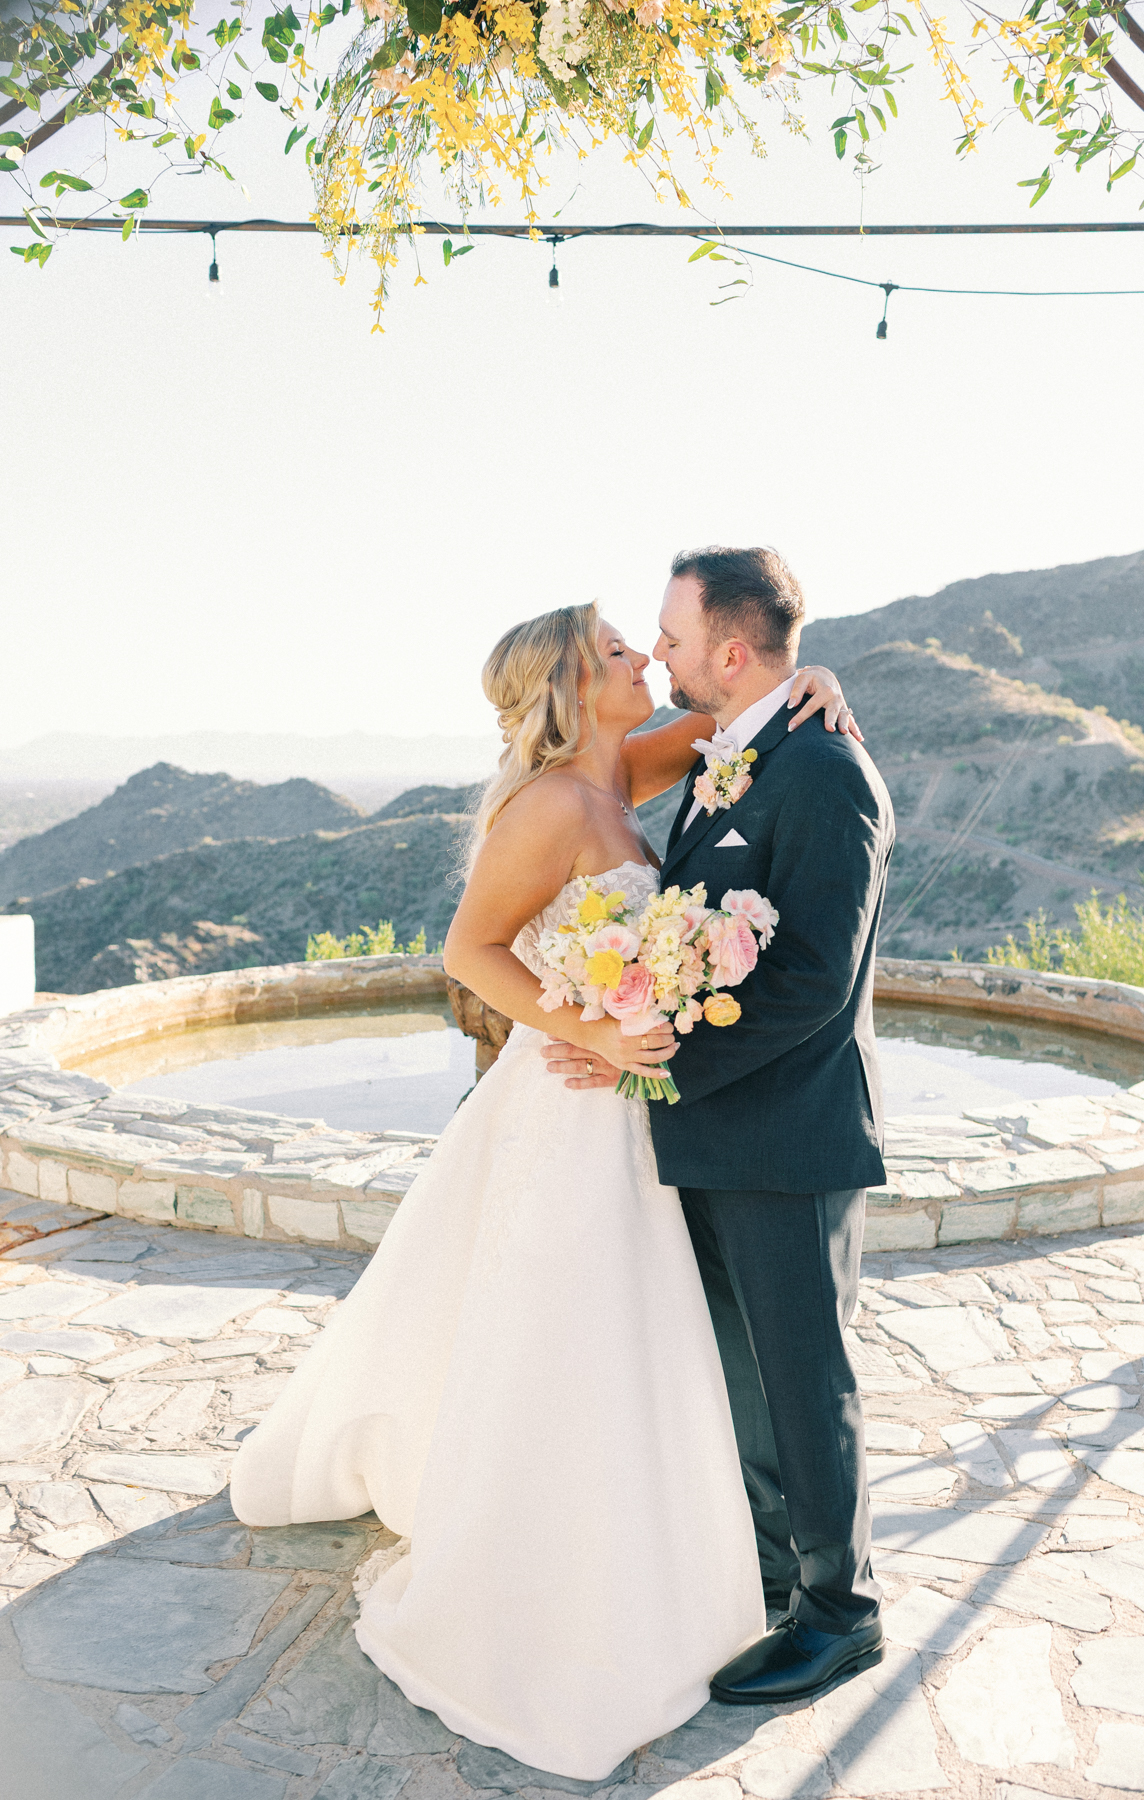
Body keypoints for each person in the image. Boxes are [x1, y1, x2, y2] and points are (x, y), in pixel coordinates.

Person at [230, 593, 863, 1781]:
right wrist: (601, 1030)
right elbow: (468, 952)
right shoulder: (550, 804)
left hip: (636, 1105)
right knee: (570, 1334)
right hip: (574, 1100)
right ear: (576, 686)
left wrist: (817, 674)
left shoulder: (624, 762)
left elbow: (750, 724)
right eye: (623, 651)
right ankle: (557, 1572)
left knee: (646, 1332)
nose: (646, 659)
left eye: (647, 642)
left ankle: (668, 1554)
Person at [542, 547, 895, 1706]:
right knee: (749, 1382)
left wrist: (656, 1067)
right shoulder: (728, 757)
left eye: (676, 636)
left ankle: (842, 1614)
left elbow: (808, 985)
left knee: (805, 1382)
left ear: (731, 652)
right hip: (717, 1141)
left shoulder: (825, 772)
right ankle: (772, 1579)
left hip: (788, 1142)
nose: (663, 653)